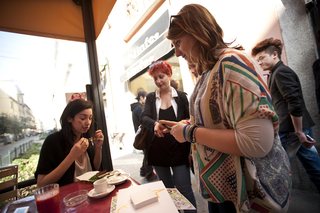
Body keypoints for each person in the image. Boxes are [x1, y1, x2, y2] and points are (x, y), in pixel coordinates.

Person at [162, 4, 291, 213]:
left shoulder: (231, 63)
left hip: (247, 194)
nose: (177, 52)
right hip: (223, 189)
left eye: (178, 42)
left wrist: (189, 132)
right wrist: (184, 125)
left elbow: (257, 142)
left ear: (197, 31)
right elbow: (222, 122)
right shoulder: (210, 71)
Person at [252, 37, 320, 194]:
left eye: (262, 58)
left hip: (292, 131)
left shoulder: (281, 72)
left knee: (274, 172)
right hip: (294, 131)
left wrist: (299, 132)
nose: (260, 62)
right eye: (258, 60)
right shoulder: (275, 73)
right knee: (313, 168)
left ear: (275, 54)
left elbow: (294, 102)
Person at [140, 60, 197, 211]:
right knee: (168, 192)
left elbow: (190, 123)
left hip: (179, 149)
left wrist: (191, 151)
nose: (158, 81)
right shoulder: (151, 98)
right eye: (155, 78)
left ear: (169, 75)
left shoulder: (182, 97)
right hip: (158, 151)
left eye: (162, 76)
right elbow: (144, 117)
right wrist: (154, 124)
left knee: (184, 190)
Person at [35, 99, 104, 188]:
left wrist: (98, 147)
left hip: (91, 192)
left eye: (90, 118)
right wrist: (72, 156)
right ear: (69, 118)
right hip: (70, 198)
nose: (88, 122)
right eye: (83, 118)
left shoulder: (85, 139)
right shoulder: (54, 141)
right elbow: (41, 184)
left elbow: (95, 168)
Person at [130, 90, 157, 181]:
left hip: (142, 134)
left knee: (146, 153)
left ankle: (143, 170)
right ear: (141, 98)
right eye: (146, 98)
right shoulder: (139, 108)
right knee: (148, 154)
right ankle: (149, 174)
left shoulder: (136, 108)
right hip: (145, 135)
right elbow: (144, 122)